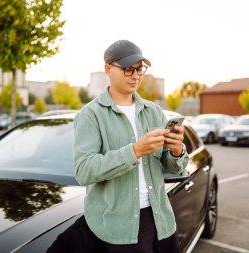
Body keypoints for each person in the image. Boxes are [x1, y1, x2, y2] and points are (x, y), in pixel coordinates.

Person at [73, 40, 189, 253]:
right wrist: (134, 151)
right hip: (119, 231)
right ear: (108, 69)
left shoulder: (153, 111)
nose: (136, 75)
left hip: (162, 221)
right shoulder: (91, 115)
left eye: (140, 69)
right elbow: (83, 171)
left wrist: (176, 151)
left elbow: (173, 167)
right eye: (128, 69)